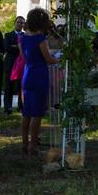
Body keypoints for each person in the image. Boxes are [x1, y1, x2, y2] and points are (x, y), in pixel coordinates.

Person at [19, 8, 60, 155]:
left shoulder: (22, 38)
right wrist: (60, 59)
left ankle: (24, 144)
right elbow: (48, 58)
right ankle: (33, 145)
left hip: (27, 74)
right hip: (39, 74)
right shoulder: (40, 39)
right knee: (37, 113)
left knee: (26, 112)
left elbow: (23, 57)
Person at [2, 16, 25, 114]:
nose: (20, 24)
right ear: (14, 23)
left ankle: (21, 106)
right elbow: (7, 48)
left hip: (21, 64)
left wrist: (15, 46)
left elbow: (25, 49)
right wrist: (18, 47)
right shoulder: (8, 35)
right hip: (10, 64)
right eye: (18, 22)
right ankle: (8, 108)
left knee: (21, 86)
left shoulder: (25, 36)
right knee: (8, 87)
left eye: (22, 23)